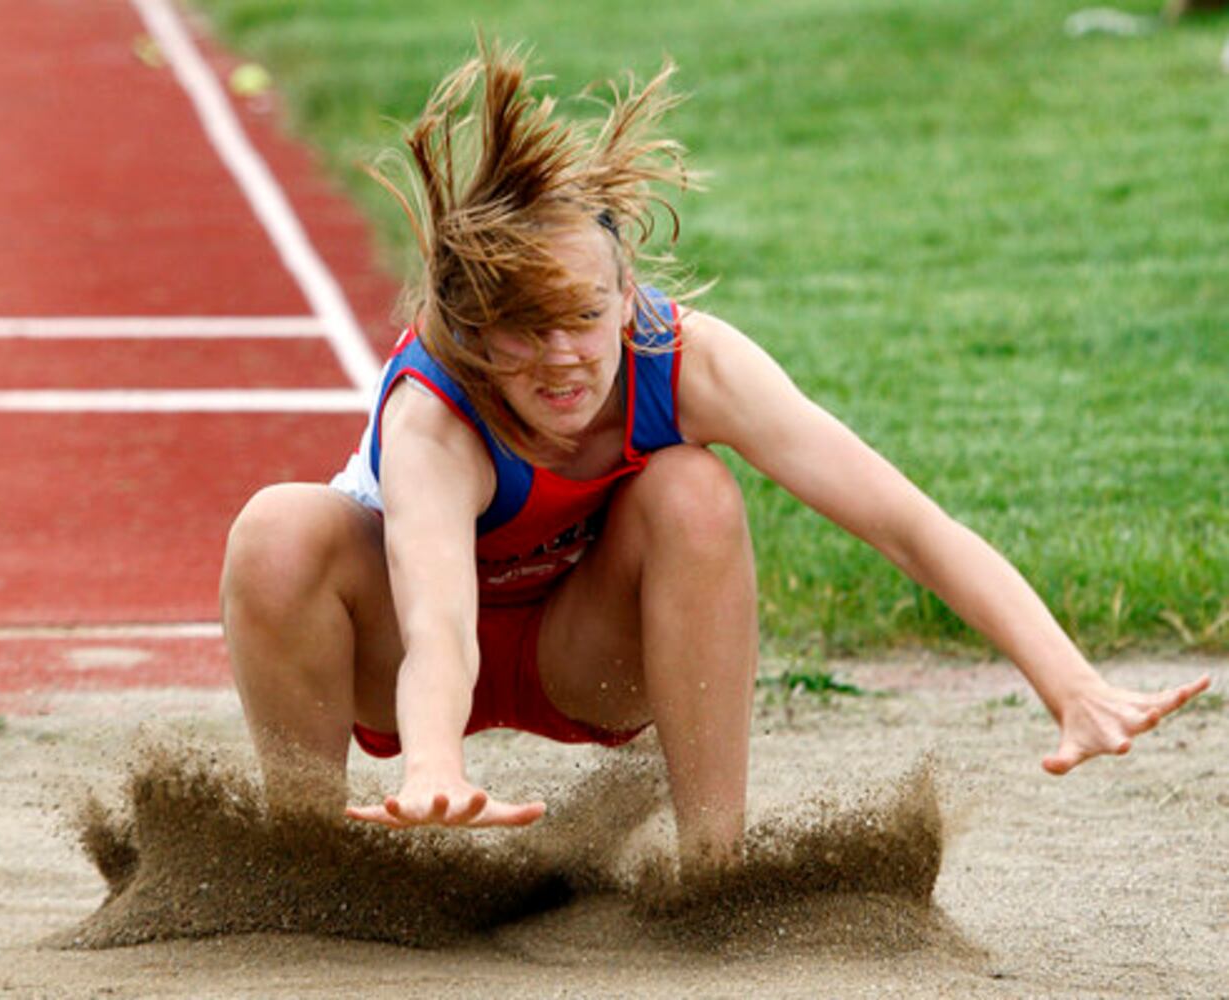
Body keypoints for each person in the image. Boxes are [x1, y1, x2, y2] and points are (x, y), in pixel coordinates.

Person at [219, 40, 1209, 872]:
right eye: (524, 327)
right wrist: (433, 763)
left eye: (583, 316)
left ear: (626, 296)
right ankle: (312, 870)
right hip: (402, 656)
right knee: (276, 531)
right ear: (474, 328)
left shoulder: (692, 363)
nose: (562, 357)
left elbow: (905, 523)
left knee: (692, 488)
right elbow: (438, 623)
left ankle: (712, 872)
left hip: (586, 654)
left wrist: (1070, 684)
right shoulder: (434, 417)